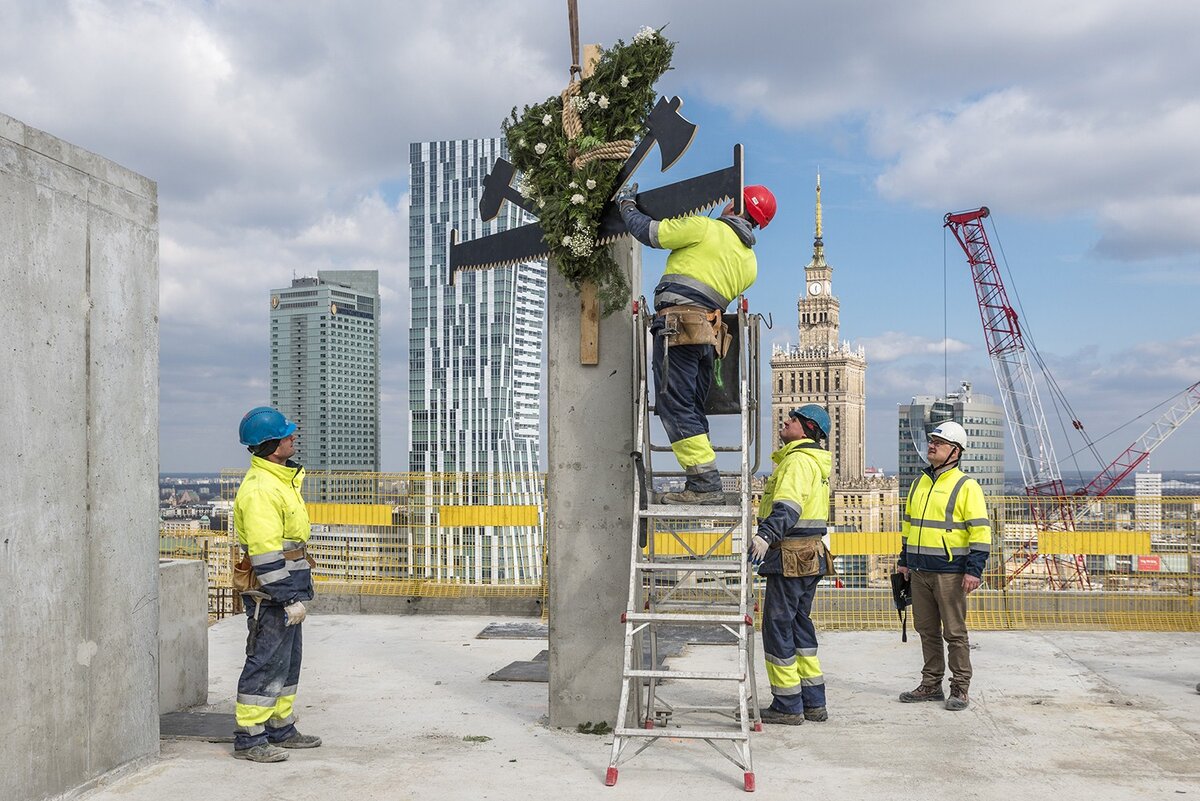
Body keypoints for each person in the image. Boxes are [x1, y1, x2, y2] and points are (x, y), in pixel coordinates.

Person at [619, 183, 777, 504]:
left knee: (674, 405)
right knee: (691, 406)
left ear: (734, 207)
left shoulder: (705, 228)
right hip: (707, 337)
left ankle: (705, 484)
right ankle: (703, 480)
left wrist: (626, 205)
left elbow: (650, 233)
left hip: (678, 328)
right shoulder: (750, 264)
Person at [231, 406, 321, 762]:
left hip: (289, 586)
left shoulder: (281, 480)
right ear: (271, 445)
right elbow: (266, 555)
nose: (293, 438)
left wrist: (296, 594)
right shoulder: (260, 490)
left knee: (287, 662)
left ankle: (279, 728)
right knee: (265, 662)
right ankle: (250, 739)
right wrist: (286, 599)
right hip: (271, 592)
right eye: (286, 435)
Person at [895, 420, 992, 711]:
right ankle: (931, 684)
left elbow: (980, 532)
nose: (932, 445)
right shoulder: (919, 483)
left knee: (954, 632)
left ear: (955, 452)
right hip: (920, 570)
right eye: (932, 441)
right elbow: (909, 526)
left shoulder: (966, 486)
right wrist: (904, 561)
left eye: (939, 442)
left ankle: (960, 688)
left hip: (950, 572)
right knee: (926, 630)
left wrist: (974, 570)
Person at [748, 405, 833, 724]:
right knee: (798, 624)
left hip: (791, 555)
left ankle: (787, 704)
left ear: (807, 427)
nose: (785, 421)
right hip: (809, 555)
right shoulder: (814, 462)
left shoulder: (797, 461)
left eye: (793, 419)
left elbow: (789, 507)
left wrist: (766, 535)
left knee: (779, 626)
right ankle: (812, 702)